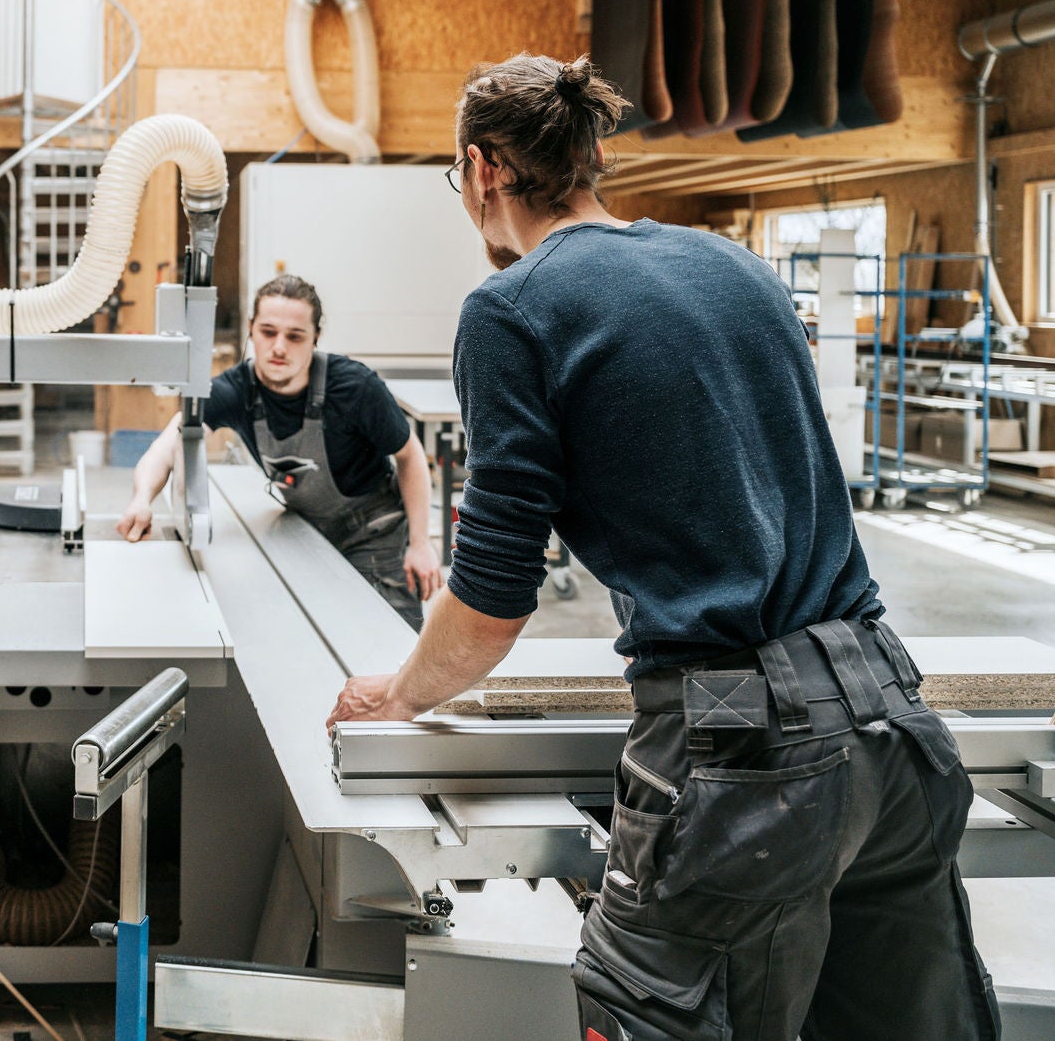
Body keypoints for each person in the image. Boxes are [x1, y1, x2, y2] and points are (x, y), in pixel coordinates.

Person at [325, 53, 998, 1039]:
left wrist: (399, 694)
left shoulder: (510, 312)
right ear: (590, 155)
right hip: (890, 723)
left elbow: (491, 599)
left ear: (479, 170)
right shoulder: (735, 267)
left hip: (744, 762)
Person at [117, 274, 445, 629]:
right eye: (268, 332)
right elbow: (170, 444)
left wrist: (420, 542)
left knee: (388, 641)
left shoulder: (354, 387)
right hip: (306, 529)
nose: (279, 347)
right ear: (251, 329)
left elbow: (410, 456)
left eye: (294, 336)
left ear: (315, 338)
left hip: (375, 532)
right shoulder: (236, 390)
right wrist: (142, 499)